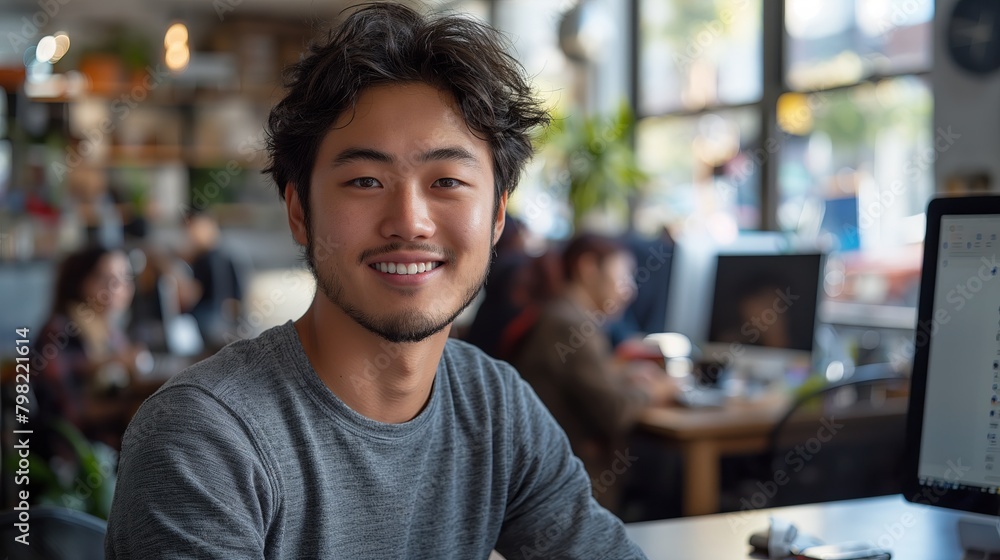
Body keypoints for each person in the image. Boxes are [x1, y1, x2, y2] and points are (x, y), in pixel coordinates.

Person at [106, 4, 647, 558]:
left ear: (497, 217)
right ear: (299, 212)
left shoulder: (496, 407)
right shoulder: (206, 438)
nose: (409, 220)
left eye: (448, 180)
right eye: (365, 180)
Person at [509, 233, 677, 513]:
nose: (630, 290)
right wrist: (661, 389)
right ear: (588, 268)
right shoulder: (571, 324)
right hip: (573, 481)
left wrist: (622, 375)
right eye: (623, 277)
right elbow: (614, 410)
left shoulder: (562, 315)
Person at [34, 245, 147, 452]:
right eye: (104, 279)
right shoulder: (60, 330)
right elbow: (69, 413)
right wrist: (129, 408)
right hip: (73, 457)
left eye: (124, 278)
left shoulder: (110, 331)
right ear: (79, 282)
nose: (116, 288)